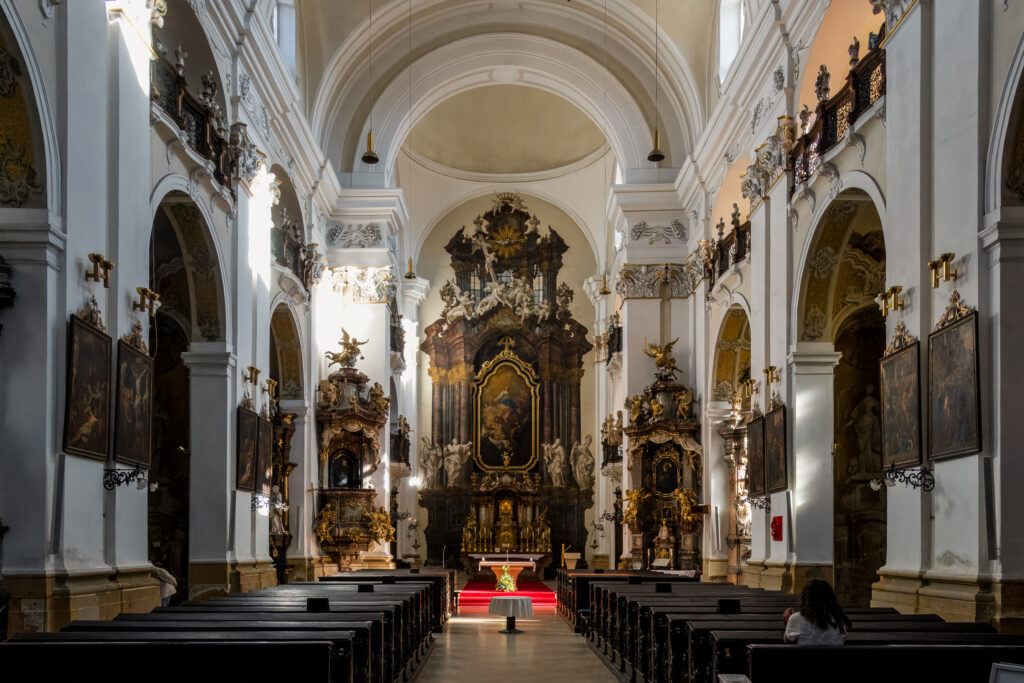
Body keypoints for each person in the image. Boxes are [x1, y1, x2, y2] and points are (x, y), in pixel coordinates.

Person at [782, 579, 850, 646]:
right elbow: (842, 639)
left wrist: (789, 622)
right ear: (830, 598)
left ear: (806, 598)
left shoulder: (797, 618)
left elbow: (788, 641)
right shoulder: (839, 619)